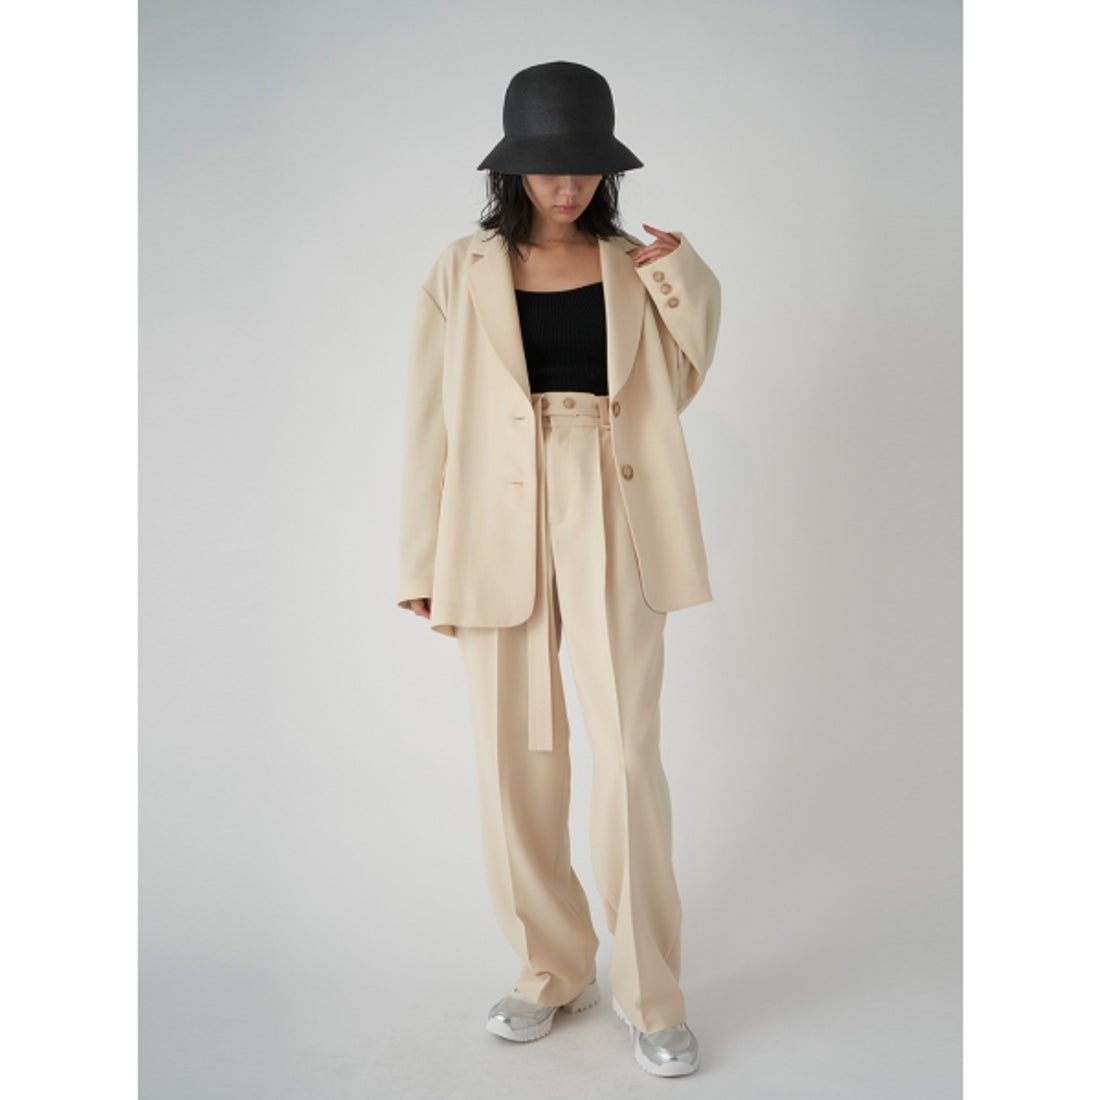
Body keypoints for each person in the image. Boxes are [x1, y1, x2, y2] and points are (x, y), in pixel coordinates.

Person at [396, 60, 721, 1078]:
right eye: (548, 169)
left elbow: (682, 376)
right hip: (490, 516)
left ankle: (651, 992)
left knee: (625, 755)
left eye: (583, 167)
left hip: (614, 496)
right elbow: (427, 419)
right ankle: (551, 967)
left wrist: (682, 271)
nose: (567, 186)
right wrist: (420, 555)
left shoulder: (633, 265)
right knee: (513, 756)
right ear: (513, 171)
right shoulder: (460, 269)